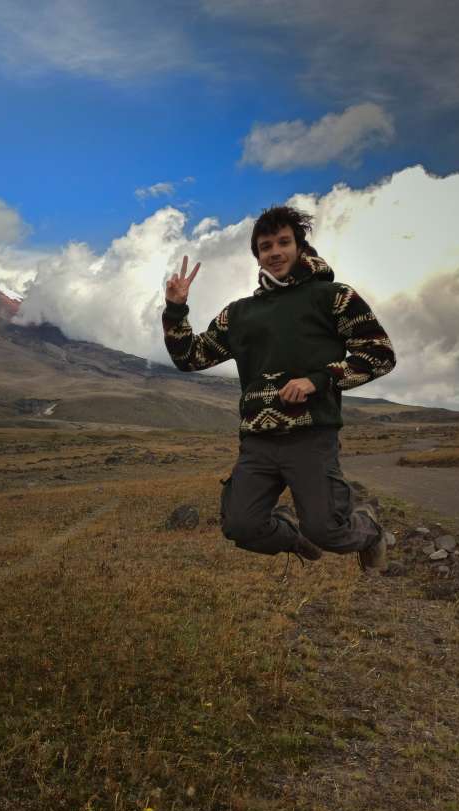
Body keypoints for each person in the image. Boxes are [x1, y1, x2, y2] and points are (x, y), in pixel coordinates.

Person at [161, 205, 396, 569]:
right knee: (240, 524)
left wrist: (318, 381)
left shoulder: (334, 296)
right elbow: (190, 357)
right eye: (266, 246)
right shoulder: (239, 314)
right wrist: (176, 310)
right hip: (257, 441)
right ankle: (293, 535)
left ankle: (369, 529)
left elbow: (380, 353)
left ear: (300, 246)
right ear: (257, 256)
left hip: (311, 437)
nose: (275, 252)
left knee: (328, 531)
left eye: (284, 242)